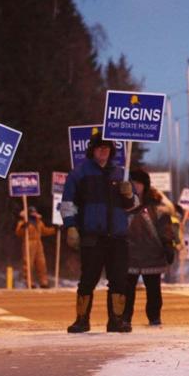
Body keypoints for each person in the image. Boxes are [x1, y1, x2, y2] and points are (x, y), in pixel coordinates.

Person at [61, 133, 138, 333]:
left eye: (107, 148)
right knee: (88, 279)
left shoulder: (121, 174)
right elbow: (68, 204)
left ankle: (116, 320)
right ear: (92, 150)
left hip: (118, 237)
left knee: (119, 280)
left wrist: (129, 194)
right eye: (99, 148)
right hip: (92, 236)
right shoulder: (79, 174)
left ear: (111, 151)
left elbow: (134, 206)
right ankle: (82, 319)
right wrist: (70, 226)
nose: (103, 151)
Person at [124, 169, 176, 327]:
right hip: (129, 254)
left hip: (152, 253)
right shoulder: (122, 204)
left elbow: (164, 228)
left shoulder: (156, 206)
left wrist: (168, 244)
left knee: (153, 290)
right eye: (133, 183)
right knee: (127, 290)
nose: (135, 186)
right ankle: (124, 318)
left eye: (139, 183)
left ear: (145, 185)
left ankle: (154, 317)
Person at [15, 206, 56, 288]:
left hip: (38, 244)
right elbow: (18, 233)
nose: (34, 214)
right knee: (28, 263)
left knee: (41, 263)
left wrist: (55, 229)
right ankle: (29, 282)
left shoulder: (38, 222)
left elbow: (44, 231)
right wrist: (23, 227)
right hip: (29, 243)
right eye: (32, 212)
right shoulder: (23, 222)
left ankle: (43, 282)